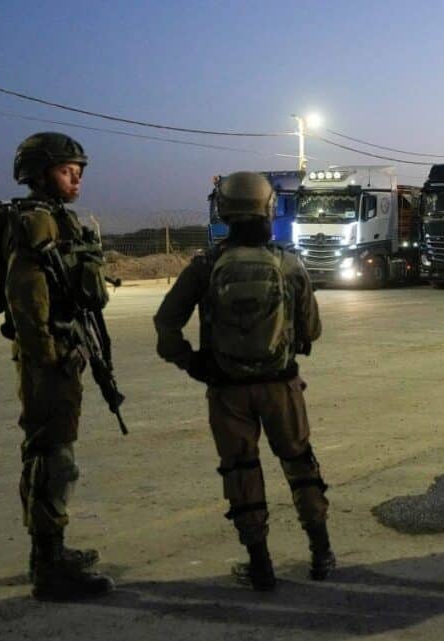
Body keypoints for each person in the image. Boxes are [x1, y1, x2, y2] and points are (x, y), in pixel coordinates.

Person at [154, 171, 333, 591]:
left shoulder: (205, 265)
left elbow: (166, 325)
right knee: (299, 464)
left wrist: (193, 363)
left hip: (227, 390)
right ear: (268, 208)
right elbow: (313, 329)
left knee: (241, 470)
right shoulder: (288, 263)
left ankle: (260, 565)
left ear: (224, 211)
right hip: (281, 386)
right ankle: (321, 552)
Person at [6, 132, 114, 599]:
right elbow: (28, 300)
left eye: (79, 171)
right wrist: (51, 356)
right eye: (67, 171)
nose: (77, 179)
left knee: (53, 452)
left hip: (59, 351)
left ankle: (49, 551)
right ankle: (49, 568)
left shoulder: (55, 219)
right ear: (40, 173)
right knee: (53, 457)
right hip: (48, 359)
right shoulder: (36, 223)